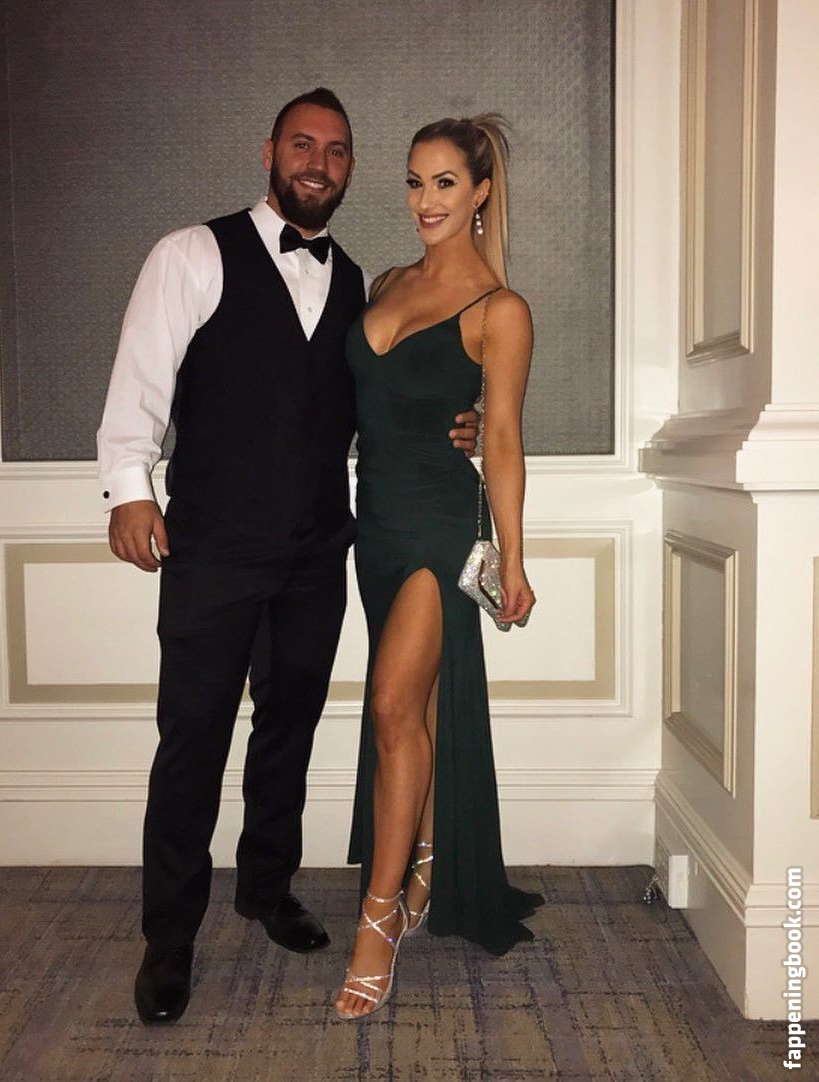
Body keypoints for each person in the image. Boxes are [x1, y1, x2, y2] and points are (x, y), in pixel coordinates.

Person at [96, 88, 480, 1025]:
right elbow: (140, 374)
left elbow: (387, 392)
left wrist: (457, 421)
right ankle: (169, 937)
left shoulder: (359, 283)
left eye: (337, 151)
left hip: (316, 550)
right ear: (269, 151)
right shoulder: (191, 253)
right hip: (214, 545)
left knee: (288, 730)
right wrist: (130, 489)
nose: (318, 162)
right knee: (193, 738)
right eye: (303, 144)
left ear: (349, 170)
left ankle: (266, 887)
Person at [335, 115, 545, 1020]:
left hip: (436, 526)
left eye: (445, 183)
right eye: (415, 182)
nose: (425, 200)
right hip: (373, 526)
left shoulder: (500, 310)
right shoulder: (386, 283)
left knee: (390, 708)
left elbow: (501, 438)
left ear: (481, 191)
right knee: (410, 710)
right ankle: (424, 862)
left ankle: (377, 920)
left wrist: (513, 557)